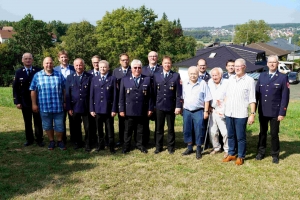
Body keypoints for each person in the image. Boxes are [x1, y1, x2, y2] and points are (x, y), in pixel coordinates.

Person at [255, 55, 290, 164]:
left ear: (278, 64)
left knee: (274, 134)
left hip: (275, 111)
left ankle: (275, 154)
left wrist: (282, 112)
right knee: (262, 132)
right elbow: (257, 94)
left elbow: (285, 96)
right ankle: (261, 152)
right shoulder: (262, 76)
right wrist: (254, 110)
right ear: (267, 64)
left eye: (274, 62)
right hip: (263, 110)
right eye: (270, 62)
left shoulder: (282, 77)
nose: (272, 64)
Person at [222, 58, 256, 165]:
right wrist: (224, 108)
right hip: (229, 112)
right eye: (235, 66)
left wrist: (252, 114)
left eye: (238, 66)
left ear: (244, 67)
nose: (236, 68)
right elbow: (227, 96)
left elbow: (252, 99)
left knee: (240, 137)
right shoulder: (231, 79)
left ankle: (241, 156)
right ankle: (231, 153)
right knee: (230, 135)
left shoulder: (249, 80)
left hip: (241, 114)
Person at [30, 57, 66, 150]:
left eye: (50, 63)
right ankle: (51, 141)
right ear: (43, 64)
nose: (48, 65)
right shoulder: (37, 76)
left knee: (60, 125)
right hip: (44, 107)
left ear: (53, 64)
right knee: (47, 125)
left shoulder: (59, 75)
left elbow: (64, 89)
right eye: (47, 63)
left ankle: (59, 141)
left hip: (58, 106)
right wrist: (34, 104)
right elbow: (33, 90)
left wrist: (65, 101)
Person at [119, 59, 153, 154]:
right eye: (135, 67)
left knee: (140, 129)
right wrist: (121, 109)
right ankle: (126, 146)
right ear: (131, 69)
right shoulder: (125, 80)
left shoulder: (147, 79)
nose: (137, 69)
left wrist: (150, 108)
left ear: (141, 68)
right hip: (129, 109)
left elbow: (150, 96)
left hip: (142, 109)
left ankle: (140, 145)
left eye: (139, 67)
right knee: (128, 130)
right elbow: (121, 96)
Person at [12, 53, 44, 147]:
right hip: (24, 101)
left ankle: (39, 139)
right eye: (26, 59)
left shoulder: (38, 71)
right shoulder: (19, 72)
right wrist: (17, 101)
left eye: (29, 59)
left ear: (32, 60)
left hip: (37, 101)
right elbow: (15, 88)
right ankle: (29, 139)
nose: (28, 60)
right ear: (22, 60)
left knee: (38, 121)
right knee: (27, 121)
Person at [153, 56, 182, 154]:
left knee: (170, 128)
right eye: (165, 63)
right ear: (162, 64)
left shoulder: (176, 75)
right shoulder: (156, 75)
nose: (167, 65)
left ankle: (171, 147)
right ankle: (158, 147)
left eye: (169, 63)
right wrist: (153, 105)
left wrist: (178, 106)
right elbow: (154, 92)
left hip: (171, 106)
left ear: (171, 64)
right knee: (159, 128)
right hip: (159, 106)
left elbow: (179, 93)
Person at [182, 66, 212, 159]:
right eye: (191, 74)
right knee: (187, 129)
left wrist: (206, 111)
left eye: (195, 74)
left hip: (199, 110)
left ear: (198, 74)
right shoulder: (185, 83)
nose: (193, 75)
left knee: (199, 129)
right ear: (188, 74)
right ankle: (189, 147)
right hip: (187, 110)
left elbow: (207, 98)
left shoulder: (202, 83)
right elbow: (183, 97)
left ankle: (198, 148)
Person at [90, 60, 118, 154]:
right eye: (101, 67)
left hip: (108, 109)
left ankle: (111, 146)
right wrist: (92, 109)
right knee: (99, 129)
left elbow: (115, 95)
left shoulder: (112, 79)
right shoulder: (94, 79)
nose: (102, 68)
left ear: (108, 68)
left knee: (109, 129)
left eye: (104, 67)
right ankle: (100, 145)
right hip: (97, 109)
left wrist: (114, 109)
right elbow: (91, 95)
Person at [65, 58, 93, 150]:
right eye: (76, 65)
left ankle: (88, 143)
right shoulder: (70, 77)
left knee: (88, 126)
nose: (78, 67)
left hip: (86, 106)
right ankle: (78, 142)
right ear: (74, 66)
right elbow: (68, 94)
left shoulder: (90, 77)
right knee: (76, 126)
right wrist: (69, 107)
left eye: (80, 65)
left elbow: (92, 93)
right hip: (74, 106)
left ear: (83, 65)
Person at [54, 50, 75, 144]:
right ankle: (62, 139)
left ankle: (74, 139)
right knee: (61, 120)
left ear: (68, 58)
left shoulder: (74, 68)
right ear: (59, 59)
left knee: (73, 120)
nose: (64, 59)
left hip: (72, 98)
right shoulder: (55, 70)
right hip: (59, 99)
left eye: (65, 57)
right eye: (62, 57)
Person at [207, 67, 229, 158]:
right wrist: (208, 107)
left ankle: (227, 149)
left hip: (222, 110)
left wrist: (222, 109)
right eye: (213, 75)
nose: (214, 77)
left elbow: (228, 96)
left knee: (225, 132)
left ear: (221, 75)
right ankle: (216, 147)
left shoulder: (227, 82)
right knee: (212, 131)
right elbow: (207, 96)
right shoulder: (209, 82)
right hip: (212, 110)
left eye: (216, 75)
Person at [141, 51, 162, 146]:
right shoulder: (143, 69)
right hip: (146, 98)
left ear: (157, 58)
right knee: (145, 122)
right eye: (151, 56)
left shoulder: (162, 69)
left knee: (159, 122)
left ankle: (157, 141)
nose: (153, 58)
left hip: (159, 98)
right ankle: (145, 140)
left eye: (154, 56)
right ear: (148, 58)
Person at [112, 53, 132, 147]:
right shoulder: (116, 71)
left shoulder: (133, 70)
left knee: (130, 121)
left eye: (127, 59)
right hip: (120, 99)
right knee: (121, 121)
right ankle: (121, 139)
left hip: (130, 99)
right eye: (123, 60)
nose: (125, 61)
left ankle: (130, 139)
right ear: (120, 61)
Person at [86, 55, 101, 146]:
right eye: (94, 62)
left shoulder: (107, 72)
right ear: (92, 63)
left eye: (98, 62)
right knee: (92, 123)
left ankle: (103, 139)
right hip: (92, 102)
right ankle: (93, 139)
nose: (96, 64)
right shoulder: (88, 74)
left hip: (102, 102)